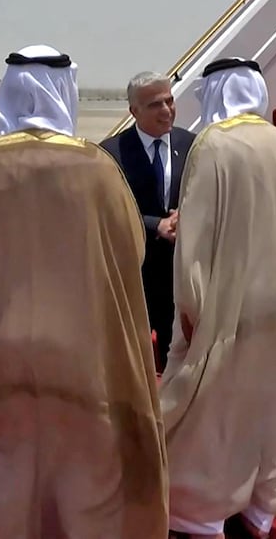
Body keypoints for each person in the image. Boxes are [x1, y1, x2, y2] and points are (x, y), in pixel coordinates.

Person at [0, 44, 168, 538]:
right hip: (82, 361)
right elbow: (131, 250)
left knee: (5, 489)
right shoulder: (96, 167)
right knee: (84, 490)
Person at [159, 58, 276, 539]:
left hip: (228, 310)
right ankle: (260, 512)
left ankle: (204, 516)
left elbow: (196, 241)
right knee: (267, 414)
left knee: (214, 423)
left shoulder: (214, 145)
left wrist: (191, 315)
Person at [101, 72, 195, 369]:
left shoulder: (192, 144)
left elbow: (202, 193)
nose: (167, 110)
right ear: (134, 111)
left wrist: (187, 215)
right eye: (156, 104)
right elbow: (107, 210)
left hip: (177, 275)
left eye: (170, 101)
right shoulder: (111, 152)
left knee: (176, 361)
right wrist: (156, 225)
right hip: (134, 275)